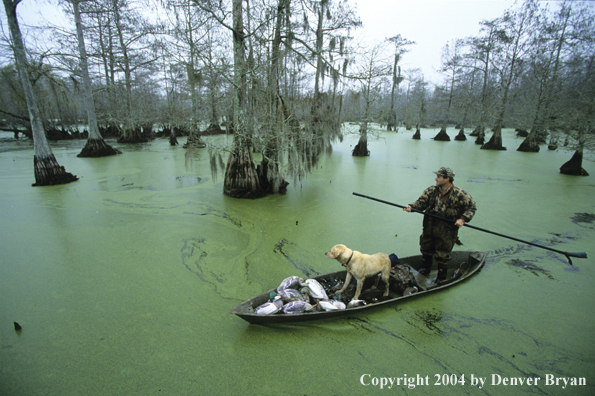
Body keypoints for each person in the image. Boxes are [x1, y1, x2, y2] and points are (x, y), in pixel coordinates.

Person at [403, 167, 477, 285]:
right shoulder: (431, 190)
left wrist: (462, 219)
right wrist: (411, 207)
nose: (436, 179)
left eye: (439, 177)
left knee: (442, 254)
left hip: (447, 230)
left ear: (447, 179)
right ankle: (425, 269)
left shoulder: (460, 194)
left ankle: (441, 277)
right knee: (425, 247)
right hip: (429, 226)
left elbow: (471, 208)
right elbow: (421, 203)